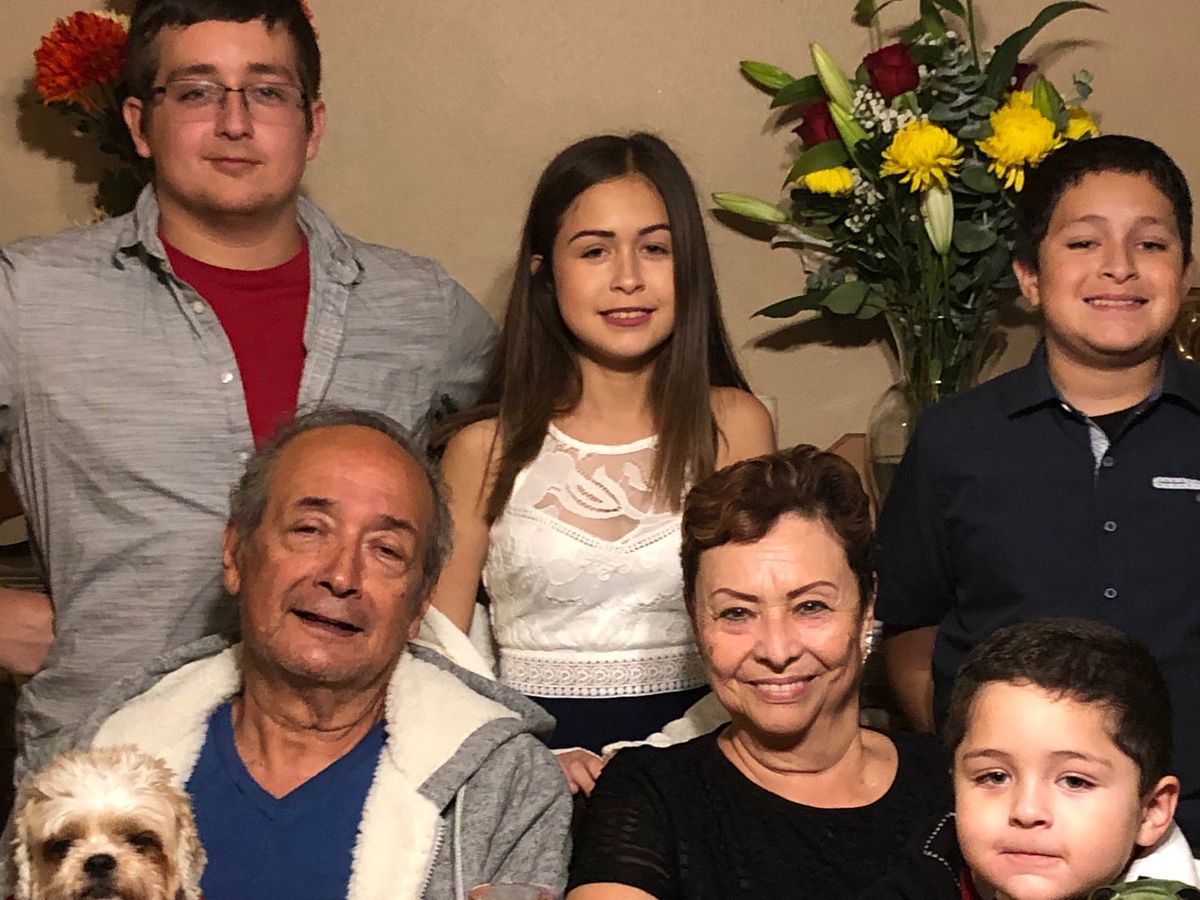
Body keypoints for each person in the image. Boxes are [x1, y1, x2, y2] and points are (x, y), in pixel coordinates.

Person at [0, 0, 495, 780]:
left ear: (312, 124)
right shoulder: (28, 299)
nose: (235, 123)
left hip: (360, 780)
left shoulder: (419, 307)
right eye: (196, 91)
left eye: (266, 91)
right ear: (139, 123)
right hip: (104, 778)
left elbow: (557, 435)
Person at [2, 408, 571, 900]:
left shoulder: (507, 786)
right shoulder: (87, 761)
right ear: (235, 553)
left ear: (421, 601)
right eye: (310, 529)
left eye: (386, 549)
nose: (342, 575)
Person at [874, 135, 1200, 843]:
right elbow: (909, 621)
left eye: (1151, 244)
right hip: (1009, 826)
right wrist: (967, 745)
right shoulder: (955, 439)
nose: (1119, 266)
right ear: (1028, 276)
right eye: (1083, 243)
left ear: (1185, 272)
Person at [430, 132, 776, 793]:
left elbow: (764, 628)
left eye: (655, 248)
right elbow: (439, 656)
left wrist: (662, 758)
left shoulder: (734, 426)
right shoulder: (483, 449)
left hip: (706, 764)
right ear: (544, 271)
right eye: (594, 250)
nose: (628, 278)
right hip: (523, 775)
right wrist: (528, 760)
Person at [566, 446, 952, 899]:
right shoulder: (652, 792)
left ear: (867, 609)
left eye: (810, 606)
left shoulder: (956, 776)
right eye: (736, 613)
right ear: (696, 621)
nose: (776, 650)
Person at [865, 618, 1198, 899]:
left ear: (1151, 811)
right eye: (994, 777)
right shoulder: (931, 869)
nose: (1026, 811)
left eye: (1075, 781)